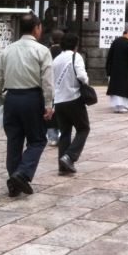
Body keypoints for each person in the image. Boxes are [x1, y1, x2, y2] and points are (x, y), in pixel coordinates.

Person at [0, 13, 54, 197]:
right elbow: (47, 81)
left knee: (14, 141)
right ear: (36, 28)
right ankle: (22, 173)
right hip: (32, 98)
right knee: (37, 140)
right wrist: (49, 104)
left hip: (12, 98)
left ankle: (14, 184)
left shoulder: (8, 50)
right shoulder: (42, 51)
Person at [52, 33, 90, 176]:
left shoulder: (56, 59)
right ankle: (69, 157)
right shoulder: (76, 56)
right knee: (83, 128)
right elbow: (81, 76)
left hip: (59, 100)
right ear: (76, 46)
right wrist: (86, 81)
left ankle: (62, 167)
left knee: (65, 133)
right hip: (73, 97)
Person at [46, 28, 65, 145]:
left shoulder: (47, 51)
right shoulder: (65, 52)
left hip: (49, 83)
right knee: (61, 110)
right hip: (62, 84)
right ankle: (62, 132)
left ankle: (52, 136)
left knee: (50, 108)